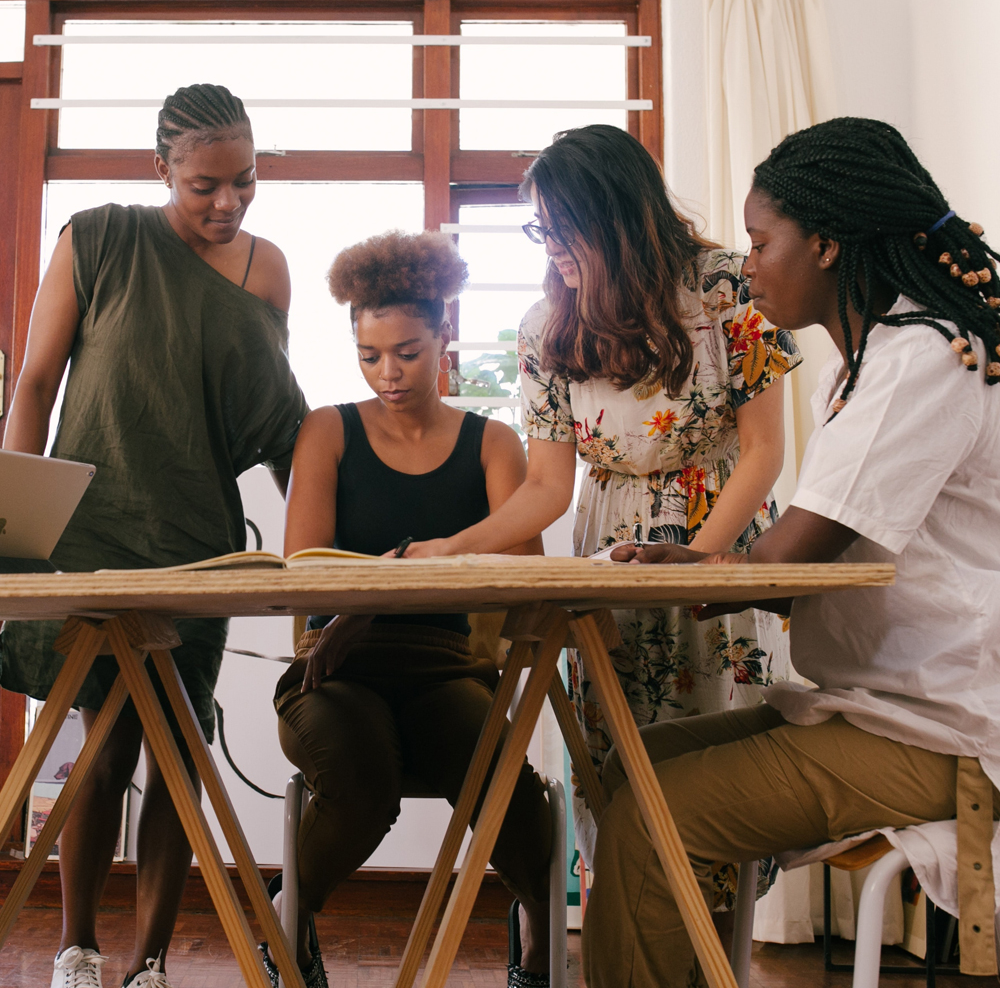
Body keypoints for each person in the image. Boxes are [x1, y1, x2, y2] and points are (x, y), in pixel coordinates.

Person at [581, 116, 1000, 987]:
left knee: (655, 816)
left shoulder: (922, 357)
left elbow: (800, 562)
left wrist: (705, 572)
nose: (750, 265)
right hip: (882, 702)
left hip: (942, 727)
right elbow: (802, 564)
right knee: (630, 765)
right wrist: (713, 569)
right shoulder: (889, 355)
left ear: (827, 244)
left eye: (762, 242)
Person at [398, 125, 801, 886]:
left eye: (561, 228)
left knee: (723, 760)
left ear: (615, 215)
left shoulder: (729, 288)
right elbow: (548, 487)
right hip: (610, 548)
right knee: (613, 757)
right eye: (539, 228)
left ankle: (714, 954)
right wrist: (453, 546)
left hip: (717, 536)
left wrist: (696, 563)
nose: (548, 245)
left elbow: (763, 451)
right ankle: (627, 935)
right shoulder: (546, 329)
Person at [1, 84, 308, 988]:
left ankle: (151, 962)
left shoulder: (267, 270)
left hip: (198, 542)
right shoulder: (96, 237)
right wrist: (17, 523)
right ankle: (77, 950)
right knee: (99, 747)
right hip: (87, 532)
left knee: (178, 751)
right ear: (160, 169)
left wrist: (328, 546)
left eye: (245, 181)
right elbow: (35, 385)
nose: (228, 202)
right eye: (204, 183)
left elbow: (277, 421)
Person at [268, 230, 553, 988]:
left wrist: (384, 584)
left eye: (407, 352)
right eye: (370, 355)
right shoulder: (327, 431)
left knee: (516, 802)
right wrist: (400, 574)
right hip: (335, 672)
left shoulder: (494, 443)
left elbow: (524, 577)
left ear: (444, 337)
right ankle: (282, 921)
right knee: (364, 781)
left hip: (445, 671)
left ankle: (532, 936)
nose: (388, 374)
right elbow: (306, 581)